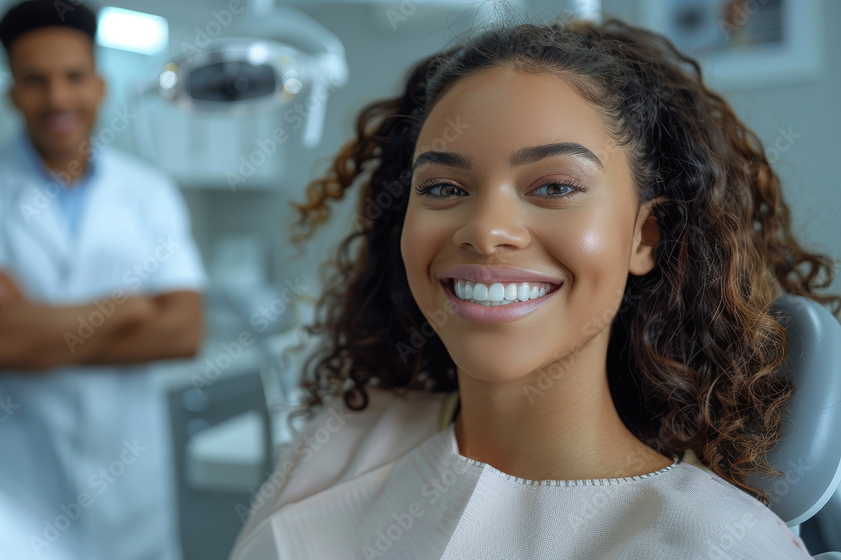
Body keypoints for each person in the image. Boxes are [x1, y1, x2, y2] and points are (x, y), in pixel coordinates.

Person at [229, 16, 841, 559]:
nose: (486, 231)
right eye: (443, 188)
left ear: (643, 238)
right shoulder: (344, 441)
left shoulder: (712, 542)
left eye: (553, 187)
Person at [0, 1, 206, 558]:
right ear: (12, 92)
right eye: (35, 81)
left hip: (127, 492)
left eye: (74, 77)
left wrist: (29, 327)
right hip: (6, 490)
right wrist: (129, 309)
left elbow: (184, 333)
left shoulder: (150, 193)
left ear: (101, 85)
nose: (58, 98)